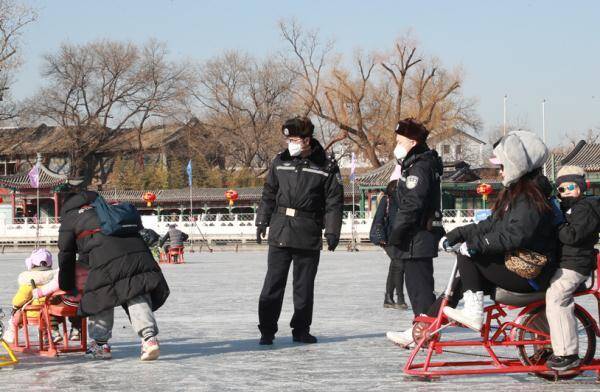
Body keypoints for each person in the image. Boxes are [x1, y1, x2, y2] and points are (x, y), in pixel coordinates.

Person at [440, 131, 558, 332]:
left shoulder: (530, 198)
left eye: (502, 167)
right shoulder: (517, 193)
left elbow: (516, 235)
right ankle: (423, 327)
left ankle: (473, 314)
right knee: (460, 283)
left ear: (517, 165)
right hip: (517, 263)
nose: (500, 172)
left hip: (530, 272)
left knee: (468, 256)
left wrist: (477, 245)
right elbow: (491, 224)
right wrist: (458, 233)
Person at [255, 116, 344, 345]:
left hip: (308, 232)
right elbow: (269, 193)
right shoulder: (279, 162)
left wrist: (333, 231)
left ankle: (301, 329)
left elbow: (334, 202)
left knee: (303, 287)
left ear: (306, 140)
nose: (289, 143)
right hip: (280, 230)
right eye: (288, 139)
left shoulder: (326, 166)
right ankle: (267, 330)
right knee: (272, 284)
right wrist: (261, 220)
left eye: (294, 139)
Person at [58, 190, 170, 361]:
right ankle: (149, 340)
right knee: (135, 291)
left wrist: (66, 285)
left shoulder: (72, 217)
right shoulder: (106, 207)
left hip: (106, 256)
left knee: (101, 296)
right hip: (138, 253)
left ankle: (101, 345)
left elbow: (66, 254)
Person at [384, 118, 444, 346]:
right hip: (416, 236)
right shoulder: (415, 163)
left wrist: (397, 234)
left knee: (419, 288)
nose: (396, 144)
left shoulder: (420, 166)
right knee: (417, 286)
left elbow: (413, 204)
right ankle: (421, 329)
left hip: (416, 237)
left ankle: (424, 332)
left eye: (399, 140)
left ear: (412, 141)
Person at [545, 166, 600, 371]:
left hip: (576, 263)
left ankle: (568, 353)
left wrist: (559, 222)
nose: (566, 192)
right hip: (567, 261)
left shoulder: (586, 207)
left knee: (557, 298)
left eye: (570, 187)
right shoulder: (569, 208)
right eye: (561, 189)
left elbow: (572, 236)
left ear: (581, 187)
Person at [3, 249, 63, 344]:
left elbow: (19, 299)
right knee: (47, 315)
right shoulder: (55, 280)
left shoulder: (29, 281)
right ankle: (46, 335)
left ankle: (12, 332)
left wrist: (15, 306)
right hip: (53, 313)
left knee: (17, 313)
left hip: (34, 312)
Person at [369, 171, 407, 309]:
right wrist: (381, 238)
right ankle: (400, 298)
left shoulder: (403, 200)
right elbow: (378, 219)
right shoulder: (387, 199)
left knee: (395, 266)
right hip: (387, 238)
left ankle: (388, 298)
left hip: (399, 238)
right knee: (399, 265)